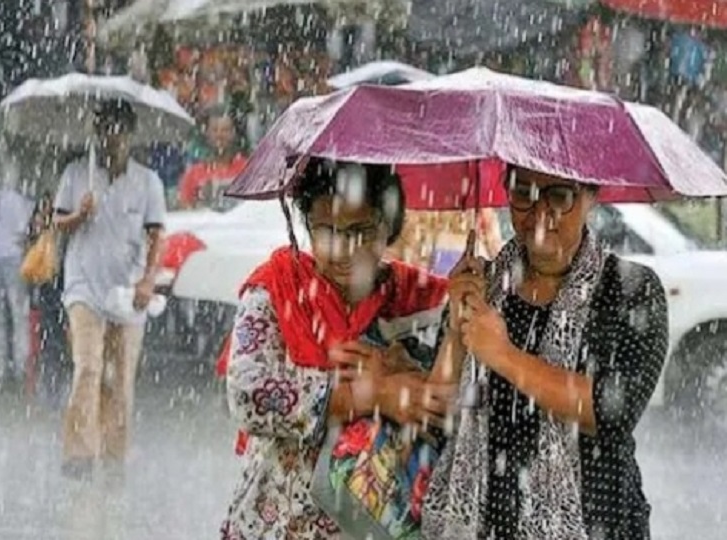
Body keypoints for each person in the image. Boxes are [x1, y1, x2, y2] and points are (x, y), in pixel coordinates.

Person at [421, 167, 669, 540]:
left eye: (558, 196)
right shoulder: (481, 286)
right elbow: (435, 413)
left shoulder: (631, 290)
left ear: (590, 195)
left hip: (597, 523)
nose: (539, 215)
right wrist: (457, 331)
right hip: (487, 525)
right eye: (523, 193)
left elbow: (611, 412)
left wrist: (503, 355)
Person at [221, 160, 452, 539]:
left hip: (372, 522)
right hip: (280, 520)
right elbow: (250, 395)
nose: (343, 249)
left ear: (387, 226)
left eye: (360, 231)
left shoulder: (415, 301)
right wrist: (371, 394)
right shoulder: (276, 291)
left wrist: (407, 374)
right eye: (326, 230)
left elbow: (458, 396)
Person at [52, 99, 166, 480]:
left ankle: (114, 454)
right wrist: (78, 215)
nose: (111, 138)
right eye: (104, 129)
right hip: (83, 285)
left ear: (130, 134)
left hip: (128, 290)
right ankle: (80, 454)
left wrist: (148, 280)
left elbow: (156, 234)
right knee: (87, 367)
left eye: (118, 130)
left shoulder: (148, 181)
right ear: (96, 133)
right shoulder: (75, 173)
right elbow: (56, 224)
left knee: (119, 378)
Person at [0, 147, 34, 392]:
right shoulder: (21, 202)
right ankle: (20, 367)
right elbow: (25, 234)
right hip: (13, 259)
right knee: (18, 315)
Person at [28, 191, 69, 408]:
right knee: (52, 338)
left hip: (56, 284)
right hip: (52, 283)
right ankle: (53, 388)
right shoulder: (53, 223)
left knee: (54, 338)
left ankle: (55, 387)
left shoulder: (62, 222)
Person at [178, 103, 248, 209]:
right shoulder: (192, 174)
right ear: (207, 133)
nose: (219, 135)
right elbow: (184, 210)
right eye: (215, 130)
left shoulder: (248, 169)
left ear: (233, 133)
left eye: (225, 130)